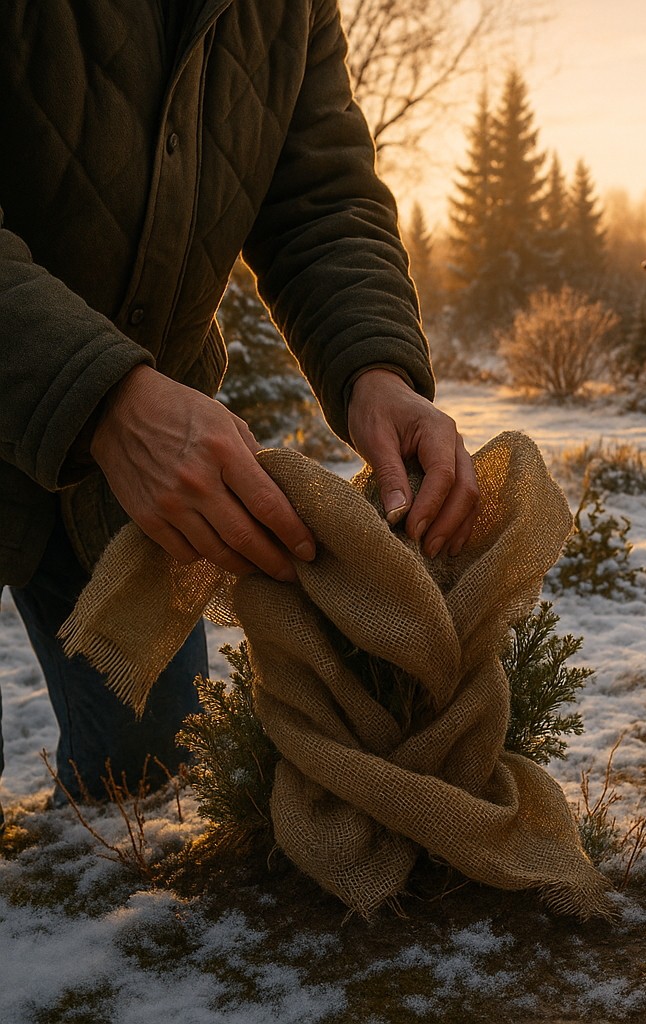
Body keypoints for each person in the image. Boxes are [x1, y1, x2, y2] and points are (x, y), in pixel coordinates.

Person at [0, 0, 479, 806]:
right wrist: (104, 396)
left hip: (135, 484)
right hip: (105, 412)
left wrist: (377, 369)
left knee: (144, 767)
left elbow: (321, 202)